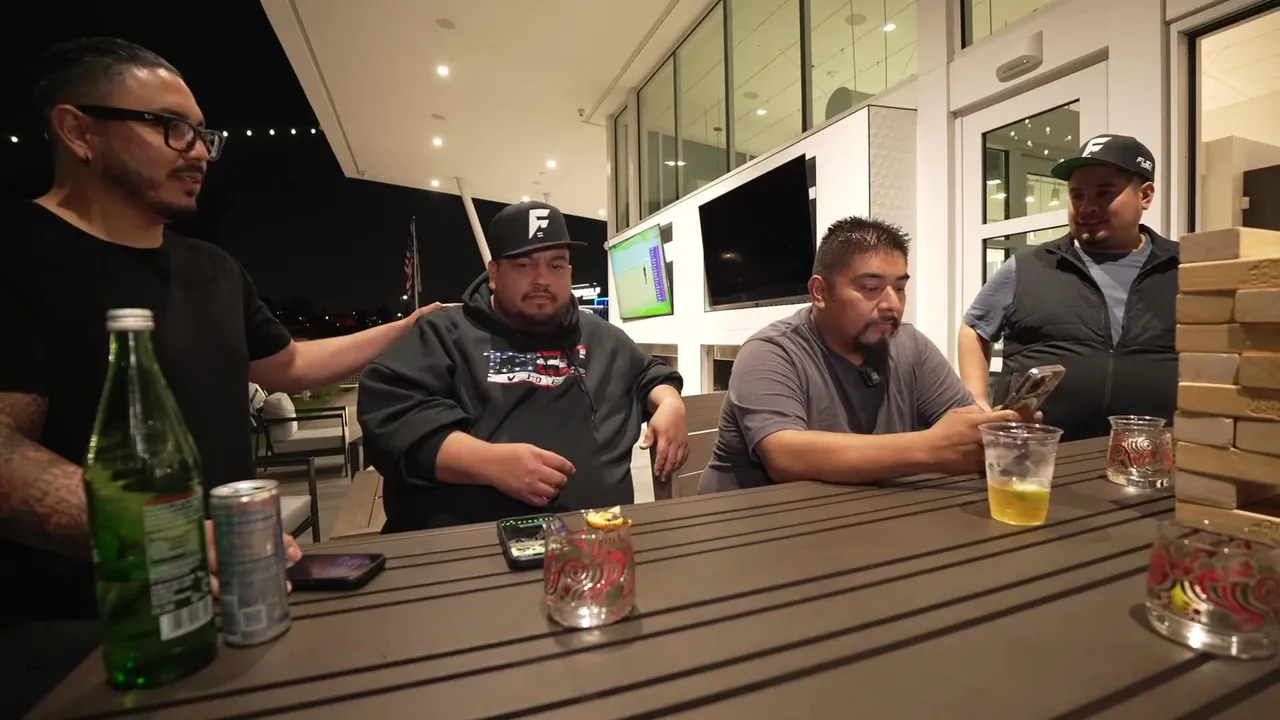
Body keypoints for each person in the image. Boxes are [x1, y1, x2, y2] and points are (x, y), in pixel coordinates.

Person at [0, 37, 445, 703]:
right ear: (78, 131)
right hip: (76, 631)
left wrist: (412, 325)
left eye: (204, 134)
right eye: (170, 127)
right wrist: (167, 539)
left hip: (227, 604)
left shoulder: (211, 268)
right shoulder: (17, 253)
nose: (200, 153)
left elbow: (290, 363)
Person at [358, 201, 688, 531]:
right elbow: (390, 415)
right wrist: (490, 464)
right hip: (466, 545)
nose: (542, 279)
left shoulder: (601, 337)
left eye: (556, 265)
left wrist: (670, 402)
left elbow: (649, 373)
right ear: (494, 274)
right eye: (524, 265)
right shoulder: (444, 334)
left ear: (569, 273)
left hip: (593, 543)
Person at [699, 217, 1026, 493]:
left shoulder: (910, 345)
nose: (892, 304)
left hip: (856, 520)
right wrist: (932, 448)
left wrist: (996, 430)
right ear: (820, 292)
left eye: (899, 288)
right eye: (870, 288)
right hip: (747, 526)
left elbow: (963, 426)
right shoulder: (770, 351)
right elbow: (785, 455)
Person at [957, 134, 1178, 441]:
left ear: (1145, 195)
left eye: (1104, 193)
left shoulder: (1185, 267)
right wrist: (977, 401)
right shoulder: (1029, 265)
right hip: (1039, 452)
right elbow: (974, 328)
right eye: (1077, 196)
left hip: (1152, 452)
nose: (1087, 207)